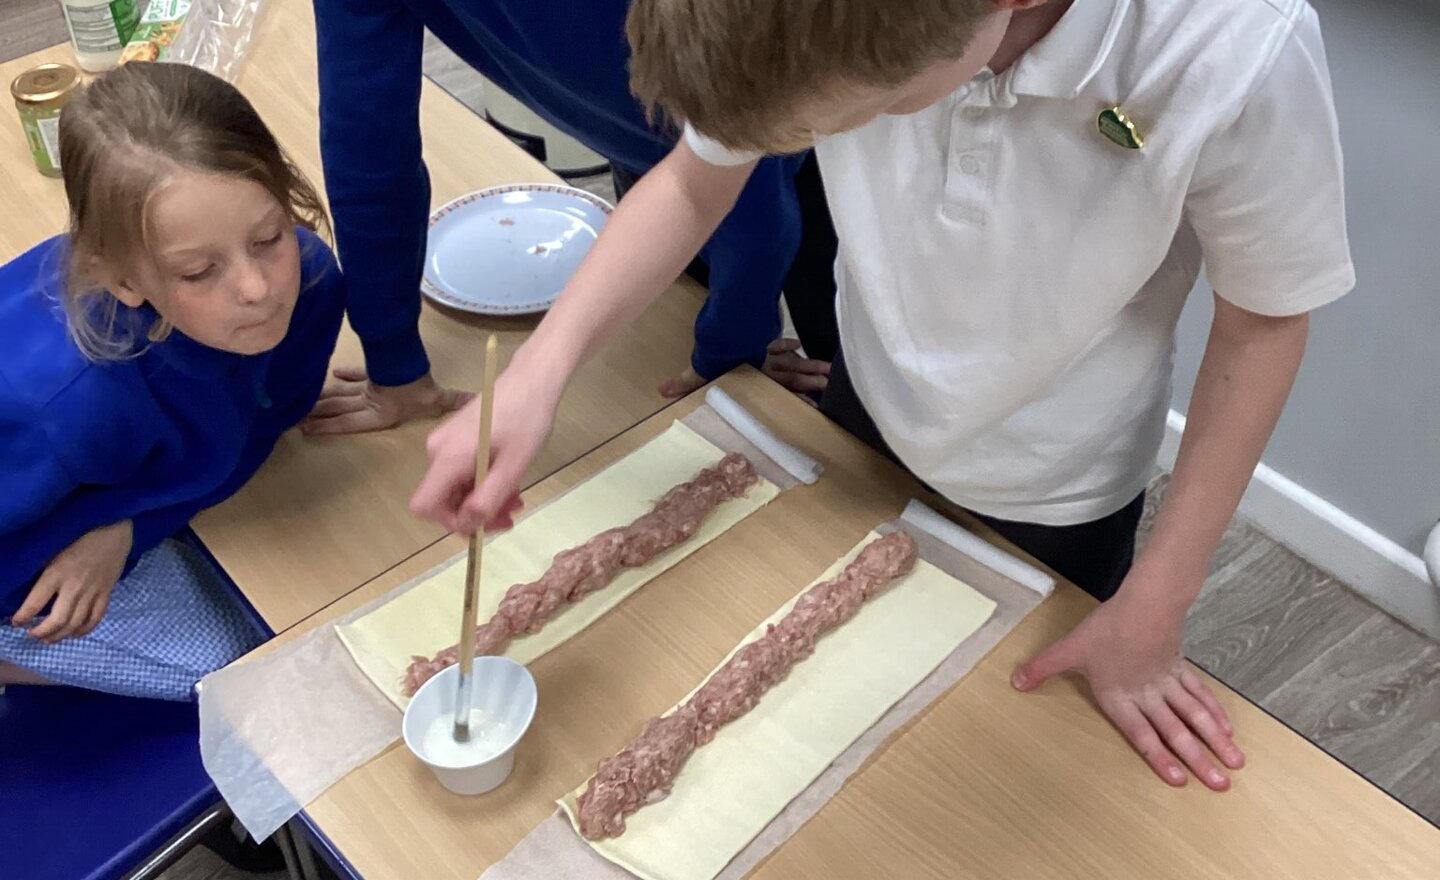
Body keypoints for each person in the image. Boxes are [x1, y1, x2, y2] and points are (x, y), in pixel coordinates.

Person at [412, 0, 1355, 791]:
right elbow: (700, 182)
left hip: (1057, 482)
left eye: (864, 118)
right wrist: (541, 371)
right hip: (865, 409)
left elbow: (1264, 322)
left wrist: (1161, 599)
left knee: (984, 770)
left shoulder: (1236, 48)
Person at [305, 0, 836, 435]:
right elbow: (367, 149)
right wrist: (392, 358)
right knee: (681, 314)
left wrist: (731, 348)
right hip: (667, 141)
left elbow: (747, 175)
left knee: (851, 388)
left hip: (831, 113)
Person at [0, 62, 346, 702]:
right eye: (198, 272)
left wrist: (129, 523)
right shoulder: (64, 405)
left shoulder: (313, 281)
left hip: (101, 496)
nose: (258, 288)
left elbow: (255, 433)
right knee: (239, 666)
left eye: (269, 236)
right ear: (123, 280)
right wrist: (98, 530)